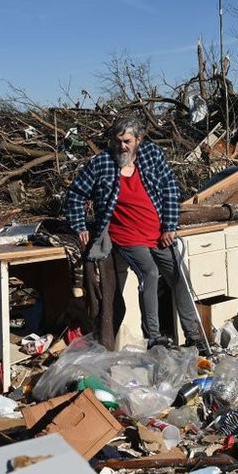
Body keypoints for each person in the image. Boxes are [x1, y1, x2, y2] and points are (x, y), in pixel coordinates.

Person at [64, 115, 209, 354]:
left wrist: (170, 226)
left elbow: (170, 188)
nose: (122, 146)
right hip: (125, 235)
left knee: (179, 275)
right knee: (149, 273)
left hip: (156, 231)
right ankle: (153, 336)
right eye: (118, 140)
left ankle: (194, 335)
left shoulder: (152, 157)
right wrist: (80, 225)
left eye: (127, 141)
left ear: (138, 140)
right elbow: (75, 194)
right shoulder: (102, 163)